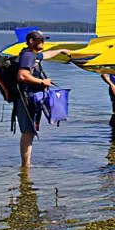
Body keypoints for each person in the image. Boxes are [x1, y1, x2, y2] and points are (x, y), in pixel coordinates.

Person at [15, 30, 69, 167]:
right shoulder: (28, 56)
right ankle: (25, 167)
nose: (43, 42)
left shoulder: (33, 55)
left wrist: (61, 50)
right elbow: (22, 75)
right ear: (31, 41)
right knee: (28, 132)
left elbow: (46, 54)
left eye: (43, 39)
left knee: (30, 132)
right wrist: (42, 82)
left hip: (31, 98)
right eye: (40, 40)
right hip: (26, 98)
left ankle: (26, 167)